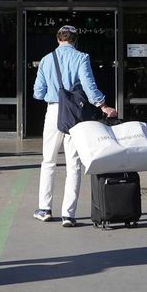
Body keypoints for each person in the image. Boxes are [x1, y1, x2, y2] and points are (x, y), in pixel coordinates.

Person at [32, 25, 116, 227]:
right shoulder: (81, 57)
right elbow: (89, 85)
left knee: (49, 160)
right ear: (75, 39)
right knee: (73, 163)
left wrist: (52, 95)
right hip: (73, 113)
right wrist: (102, 105)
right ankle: (68, 214)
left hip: (53, 111)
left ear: (58, 39)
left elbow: (37, 92)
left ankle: (44, 208)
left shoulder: (46, 59)